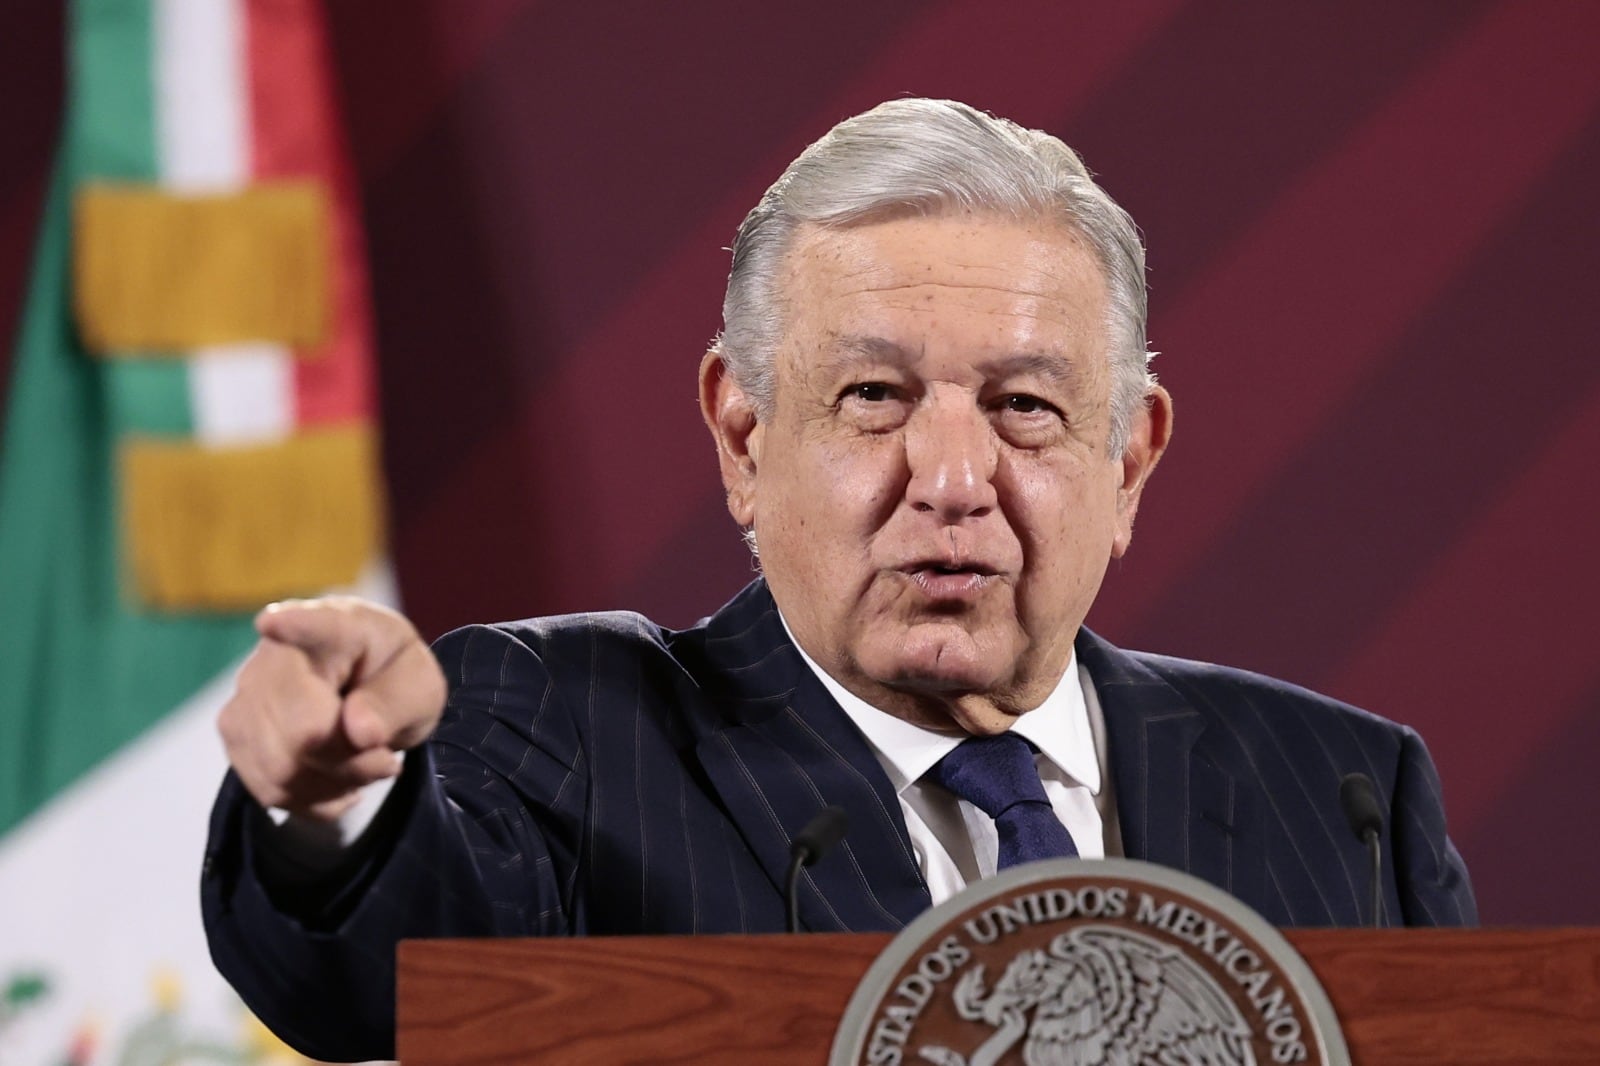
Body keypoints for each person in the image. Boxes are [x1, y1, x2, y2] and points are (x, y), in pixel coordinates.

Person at [201, 98, 1476, 1061]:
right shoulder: (569, 731)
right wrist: (338, 801)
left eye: (1025, 407)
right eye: (873, 396)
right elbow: (381, 977)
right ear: (743, 438)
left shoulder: (1346, 796)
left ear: (1128, 458)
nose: (952, 478)